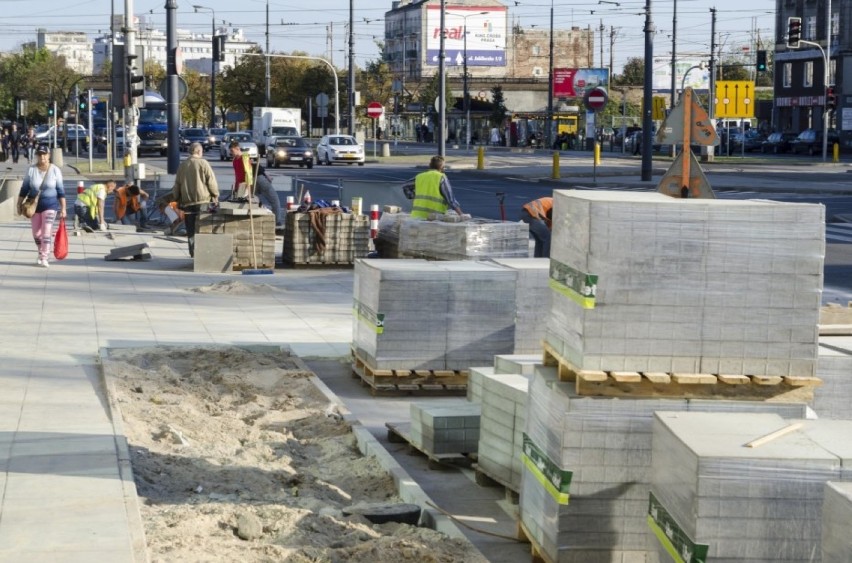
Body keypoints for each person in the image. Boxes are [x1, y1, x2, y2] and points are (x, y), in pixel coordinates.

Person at [17, 145, 66, 267]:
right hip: (34, 206)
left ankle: (45, 256)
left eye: (44, 154)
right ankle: (41, 250)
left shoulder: (55, 170)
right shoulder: (31, 170)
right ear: (37, 156)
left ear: (49, 155)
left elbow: (60, 191)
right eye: (40, 154)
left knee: (46, 231)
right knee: (36, 233)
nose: (42, 157)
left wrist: (63, 208)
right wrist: (19, 203)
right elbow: (24, 188)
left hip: (50, 205)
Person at [172, 142, 219, 257]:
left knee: (191, 230)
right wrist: (215, 195)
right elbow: (211, 182)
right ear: (198, 151)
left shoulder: (183, 165)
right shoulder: (203, 163)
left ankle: (193, 253)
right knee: (204, 228)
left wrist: (177, 198)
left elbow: (177, 184)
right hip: (203, 202)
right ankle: (203, 255)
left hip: (187, 202)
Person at [252, 160, 282, 226]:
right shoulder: (246, 157)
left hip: (250, 180)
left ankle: (255, 221)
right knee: (274, 200)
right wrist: (267, 176)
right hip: (259, 178)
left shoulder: (236, 160)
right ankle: (277, 221)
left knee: (254, 202)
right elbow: (258, 167)